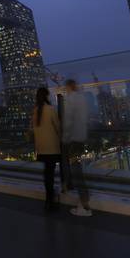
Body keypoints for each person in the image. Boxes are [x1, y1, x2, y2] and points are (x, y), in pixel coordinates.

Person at [62, 78, 92, 216]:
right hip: (81, 138)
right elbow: (85, 119)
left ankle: (84, 204)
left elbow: (67, 121)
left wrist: (64, 138)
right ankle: (83, 199)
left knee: (75, 170)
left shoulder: (69, 99)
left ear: (68, 87)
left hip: (72, 140)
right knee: (76, 167)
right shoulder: (82, 98)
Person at [32, 87, 61, 212]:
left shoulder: (35, 110)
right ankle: (50, 200)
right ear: (46, 96)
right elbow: (58, 127)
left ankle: (48, 201)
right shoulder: (50, 109)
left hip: (41, 148)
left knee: (47, 173)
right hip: (52, 147)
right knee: (50, 173)